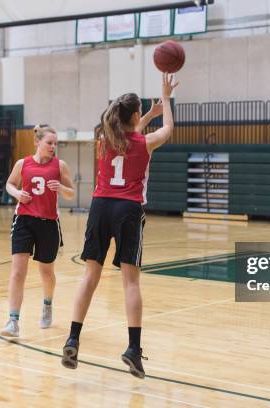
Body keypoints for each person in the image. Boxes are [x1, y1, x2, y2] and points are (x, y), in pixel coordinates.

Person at [61, 73, 178, 378]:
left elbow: (129, 134)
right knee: (131, 282)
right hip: (128, 208)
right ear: (136, 116)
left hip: (100, 207)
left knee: (90, 274)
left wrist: (145, 115)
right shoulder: (145, 142)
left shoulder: (105, 140)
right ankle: (133, 349)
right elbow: (167, 129)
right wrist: (165, 99)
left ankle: (73, 337)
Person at [0, 125, 75, 337]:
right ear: (37, 142)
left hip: (49, 223)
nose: (53, 147)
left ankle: (47, 304)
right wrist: (17, 193)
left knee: (46, 272)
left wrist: (60, 188)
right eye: (49, 143)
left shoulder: (60, 166)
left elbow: (70, 193)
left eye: (55, 143)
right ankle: (13, 321)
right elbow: (9, 184)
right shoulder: (22, 163)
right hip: (23, 220)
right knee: (17, 272)